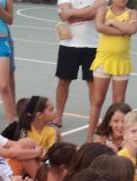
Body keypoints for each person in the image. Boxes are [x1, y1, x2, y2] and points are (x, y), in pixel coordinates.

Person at [86, 0, 137, 143]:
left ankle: (117, 139)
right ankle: (90, 136)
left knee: (119, 102)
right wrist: (123, 29)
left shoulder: (132, 13)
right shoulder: (103, 10)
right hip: (103, 60)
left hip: (121, 62)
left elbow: (132, 30)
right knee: (97, 100)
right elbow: (99, 27)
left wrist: (112, 22)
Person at [54, 0, 102, 128]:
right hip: (68, 44)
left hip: (93, 45)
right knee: (63, 82)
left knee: (92, 83)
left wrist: (72, 13)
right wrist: (87, 11)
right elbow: (64, 14)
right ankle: (58, 117)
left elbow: (94, 13)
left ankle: (94, 119)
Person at [13, 96, 58, 176]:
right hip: (26, 162)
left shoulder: (51, 131)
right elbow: (21, 150)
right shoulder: (25, 129)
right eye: (51, 110)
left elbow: (52, 152)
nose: (55, 112)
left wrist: (45, 156)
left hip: (43, 162)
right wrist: (36, 153)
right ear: (40, 115)